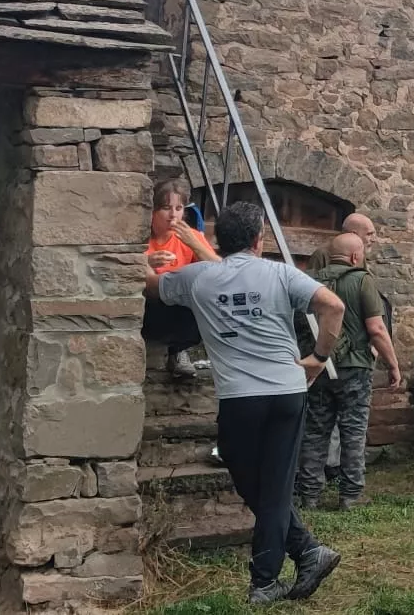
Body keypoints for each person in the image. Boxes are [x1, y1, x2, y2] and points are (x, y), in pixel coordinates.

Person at [147, 201, 347, 604]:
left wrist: (139, 259)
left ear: (219, 240)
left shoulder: (197, 278)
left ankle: (265, 583)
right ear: (259, 240)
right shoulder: (279, 272)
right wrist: (319, 358)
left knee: (259, 482)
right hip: (286, 392)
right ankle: (308, 550)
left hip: (241, 398)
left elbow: (152, 286)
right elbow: (334, 306)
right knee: (261, 485)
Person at [295, 232, 405, 511]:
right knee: (353, 432)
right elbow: (377, 329)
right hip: (354, 370)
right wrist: (393, 365)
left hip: (317, 368)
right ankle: (350, 496)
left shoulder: (309, 282)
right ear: (355, 257)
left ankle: (309, 495)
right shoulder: (362, 280)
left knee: (315, 431)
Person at [144, 181, 220, 378]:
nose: (173, 216)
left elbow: (223, 270)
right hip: (150, 306)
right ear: (152, 211)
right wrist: (146, 262)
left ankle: (178, 351)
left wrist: (195, 244)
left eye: (178, 209)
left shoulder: (190, 236)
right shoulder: (142, 237)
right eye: (166, 208)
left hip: (182, 306)